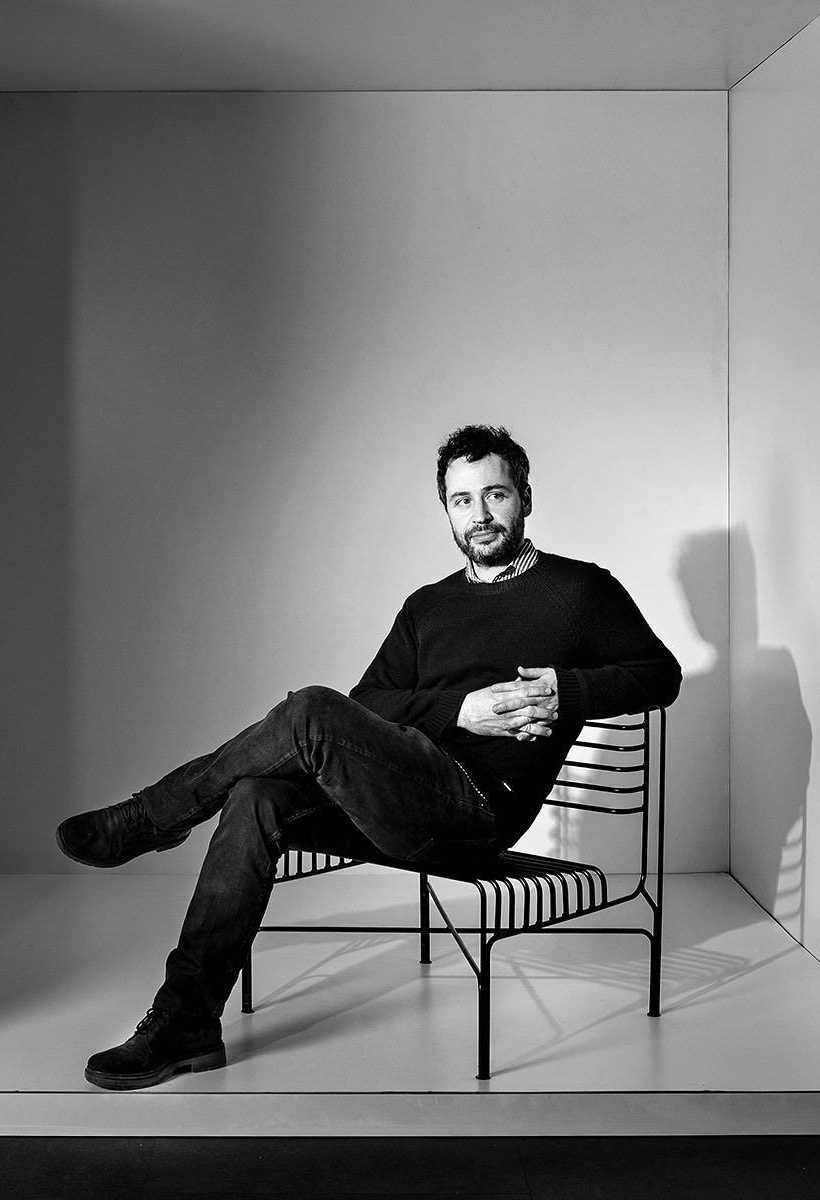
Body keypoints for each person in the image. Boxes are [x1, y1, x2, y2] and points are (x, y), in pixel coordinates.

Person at [56, 424, 681, 1090]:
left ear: (525, 496)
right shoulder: (427, 607)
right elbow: (371, 705)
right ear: (446, 510)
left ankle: (155, 816)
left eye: (495, 495)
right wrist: (458, 710)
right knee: (256, 795)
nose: (480, 515)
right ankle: (186, 1022)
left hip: (476, 809)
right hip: (398, 800)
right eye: (462, 501)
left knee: (309, 709)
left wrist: (562, 689)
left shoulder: (581, 593)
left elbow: (659, 675)